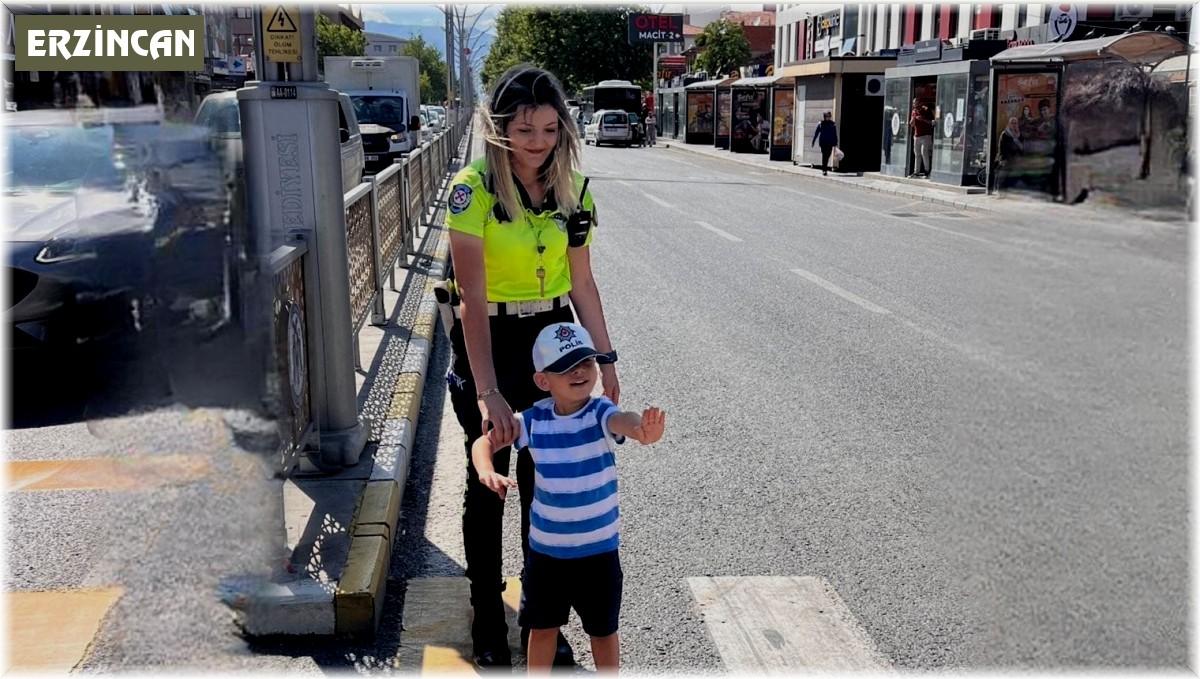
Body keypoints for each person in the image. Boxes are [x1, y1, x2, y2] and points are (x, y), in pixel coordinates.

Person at [443, 63, 620, 670]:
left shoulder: (574, 190)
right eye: (524, 129)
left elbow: (585, 283)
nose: (538, 141)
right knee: (488, 480)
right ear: (499, 129)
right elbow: (469, 298)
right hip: (488, 336)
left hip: (553, 336)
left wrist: (606, 357)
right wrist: (489, 390)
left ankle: (539, 612)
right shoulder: (474, 190)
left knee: (545, 484)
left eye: (549, 128)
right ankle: (487, 612)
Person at [471, 322, 667, 673]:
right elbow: (484, 442)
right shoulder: (534, 421)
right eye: (566, 367)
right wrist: (486, 468)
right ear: (543, 381)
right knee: (543, 629)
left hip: (599, 553)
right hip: (547, 556)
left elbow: (625, 421)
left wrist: (643, 432)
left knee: (603, 632)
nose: (580, 372)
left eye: (586, 363)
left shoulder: (600, 414)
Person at [909, 97, 934, 178]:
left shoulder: (926, 110)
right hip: (917, 135)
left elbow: (932, 122)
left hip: (926, 134)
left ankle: (927, 171)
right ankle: (916, 171)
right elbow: (912, 124)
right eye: (914, 103)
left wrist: (923, 119)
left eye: (916, 103)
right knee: (917, 153)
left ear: (920, 103)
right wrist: (913, 118)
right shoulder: (914, 111)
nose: (915, 105)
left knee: (924, 152)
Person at [811, 111, 839, 176]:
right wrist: (813, 141)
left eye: (829, 116)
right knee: (824, 156)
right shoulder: (821, 124)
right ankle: (824, 170)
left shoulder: (832, 124)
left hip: (830, 142)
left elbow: (834, 134)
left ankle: (825, 168)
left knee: (828, 156)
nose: (828, 118)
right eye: (827, 116)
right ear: (824, 117)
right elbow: (816, 133)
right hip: (823, 142)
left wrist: (835, 143)